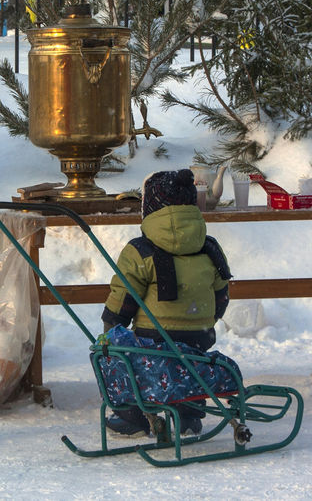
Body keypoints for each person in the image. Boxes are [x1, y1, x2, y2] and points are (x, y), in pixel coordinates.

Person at [101, 168, 232, 438]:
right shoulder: (209, 247)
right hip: (200, 334)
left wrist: (112, 325)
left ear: (150, 208)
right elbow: (221, 293)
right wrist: (205, 319)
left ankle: (132, 416)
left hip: (154, 334)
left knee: (126, 361)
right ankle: (189, 416)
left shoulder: (140, 250)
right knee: (189, 366)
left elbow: (124, 294)